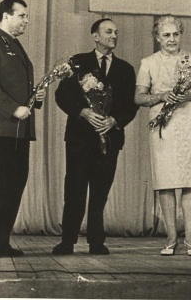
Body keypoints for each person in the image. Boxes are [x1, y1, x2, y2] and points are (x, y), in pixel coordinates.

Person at [52, 18, 138, 255]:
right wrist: (83, 112)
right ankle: (67, 241)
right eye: (108, 31)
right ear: (95, 36)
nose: (114, 36)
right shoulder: (77, 62)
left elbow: (131, 104)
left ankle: (96, 241)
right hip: (79, 139)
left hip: (109, 138)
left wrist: (115, 120)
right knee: (75, 190)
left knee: (100, 192)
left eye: (116, 32)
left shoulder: (126, 69)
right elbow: (62, 95)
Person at [135, 15, 191, 256]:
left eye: (175, 34)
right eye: (166, 35)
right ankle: (170, 237)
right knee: (166, 182)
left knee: (190, 180)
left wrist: (189, 96)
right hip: (162, 126)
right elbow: (139, 97)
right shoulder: (148, 62)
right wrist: (161, 96)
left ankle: (190, 237)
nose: (171, 39)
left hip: (189, 122)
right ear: (157, 37)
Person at [0, 0, 46, 258]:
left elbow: (15, 85)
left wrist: (34, 98)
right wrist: (13, 108)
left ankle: (0, 241)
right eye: (22, 15)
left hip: (18, 129)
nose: (26, 21)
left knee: (14, 185)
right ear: (6, 16)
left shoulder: (14, 45)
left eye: (26, 16)